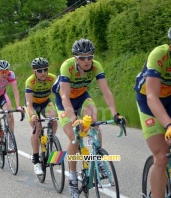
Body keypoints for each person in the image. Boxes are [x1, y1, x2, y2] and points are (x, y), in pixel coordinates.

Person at [52, 38, 125, 198]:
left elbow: (106, 91)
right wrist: (73, 119)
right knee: (74, 136)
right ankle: (72, 177)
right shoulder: (67, 66)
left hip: (82, 95)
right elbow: (64, 96)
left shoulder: (96, 66)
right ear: (76, 58)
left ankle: (97, 156)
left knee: (93, 119)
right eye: (82, 58)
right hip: (65, 99)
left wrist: (115, 114)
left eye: (90, 57)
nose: (87, 61)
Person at [136, 28, 171, 198]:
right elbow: (152, 96)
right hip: (149, 100)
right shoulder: (159, 55)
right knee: (162, 155)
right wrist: (169, 125)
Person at [25, 57, 58, 175]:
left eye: (45, 70)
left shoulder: (53, 78)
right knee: (37, 128)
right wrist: (33, 115)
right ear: (34, 72)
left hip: (45, 102)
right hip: (33, 105)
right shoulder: (30, 81)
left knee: (54, 119)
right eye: (39, 71)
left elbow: (60, 95)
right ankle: (36, 161)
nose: (43, 73)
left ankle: (50, 141)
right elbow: (28, 104)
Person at [0, 60, 23, 157]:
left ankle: (10, 138)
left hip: (2, 96)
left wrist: (18, 105)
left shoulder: (11, 75)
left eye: (7, 71)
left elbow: (16, 92)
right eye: (2, 72)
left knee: (9, 113)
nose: (5, 74)